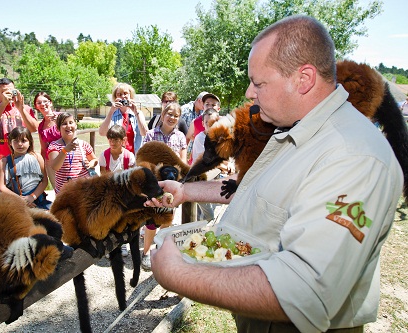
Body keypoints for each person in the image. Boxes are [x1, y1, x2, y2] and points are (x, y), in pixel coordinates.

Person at [146, 15, 403, 332]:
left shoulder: (355, 157)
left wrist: (179, 274)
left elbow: (308, 290)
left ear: (303, 79)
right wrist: (187, 192)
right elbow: (253, 187)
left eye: (259, 82)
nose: (249, 93)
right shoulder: (292, 131)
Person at [141, 102, 187, 271]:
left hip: (172, 184)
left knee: (168, 218)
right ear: (163, 114)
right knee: (151, 220)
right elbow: (144, 158)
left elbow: (182, 162)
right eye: (169, 114)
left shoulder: (180, 137)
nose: (172, 117)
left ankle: (158, 248)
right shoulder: (151, 134)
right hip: (154, 184)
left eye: (176, 115)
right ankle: (146, 253)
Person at [0, 78, 38, 186]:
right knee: (5, 194)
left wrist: (20, 108)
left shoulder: (24, 108)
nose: (9, 94)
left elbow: (34, 128)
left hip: (23, 158)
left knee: (25, 190)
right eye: (4, 92)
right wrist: (3, 104)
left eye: (11, 91)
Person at [99, 124, 136, 257]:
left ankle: (123, 243)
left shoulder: (129, 156)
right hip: (110, 192)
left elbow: (131, 177)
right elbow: (103, 177)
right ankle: (109, 244)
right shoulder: (104, 155)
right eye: (110, 139)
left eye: (116, 140)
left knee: (124, 218)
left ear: (123, 140)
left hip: (124, 192)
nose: (112, 143)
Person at [0, 127, 51, 210]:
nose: (20, 144)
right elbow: (1, 187)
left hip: (37, 200)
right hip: (15, 203)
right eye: (16, 141)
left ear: (30, 142)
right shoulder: (4, 162)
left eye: (23, 141)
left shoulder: (37, 157)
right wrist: (21, 200)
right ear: (10, 142)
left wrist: (32, 197)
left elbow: (44, 181)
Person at [48, 112, 98, 194]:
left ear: (76, 125)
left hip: (83, 190)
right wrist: (64, 151)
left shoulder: (83, 144)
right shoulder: (54, 146)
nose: (68, 126)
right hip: (64, 193)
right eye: (64, 124)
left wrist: (91, 163)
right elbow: (55, 166)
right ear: (58, 128)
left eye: (71, 122)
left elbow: (94, 159)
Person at [98, 83, 147, 154]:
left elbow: (145, 133)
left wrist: (136, 113)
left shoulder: (138, 113)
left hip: (135, 156)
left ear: (130, 95)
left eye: (125, 93)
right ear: (115, 97)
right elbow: (102, 133)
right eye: (119, 94)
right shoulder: (112, 114)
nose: (123, 96)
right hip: (117, 156)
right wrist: (111, 111)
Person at [191, 108, 220, 221]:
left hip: (212, 179)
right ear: (203, 123)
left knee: (212, 207)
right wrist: (221, 165)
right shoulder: (200, 138)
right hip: (200, 180)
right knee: (208, 215)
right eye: (207, 123)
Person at [185, 93, 222, 165]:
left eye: (213, 105)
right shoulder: (195, 122)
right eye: (207, 104)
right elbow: (187, 138)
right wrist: (186, 158)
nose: (210, 107)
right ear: (203, 106)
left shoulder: (223, 123)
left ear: (218, 108)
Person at [34, 92, 61, 189]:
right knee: (57, 188)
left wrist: (59, 121)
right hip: (51, 162)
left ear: (50, 103)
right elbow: (43, 148)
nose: (42, 104)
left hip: (66, 158)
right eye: (39, 102)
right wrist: (42, 166)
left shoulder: (61, 117)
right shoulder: (41, 126)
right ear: (36, 106)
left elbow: (72, 132)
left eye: (45, 101)